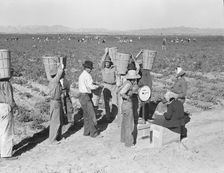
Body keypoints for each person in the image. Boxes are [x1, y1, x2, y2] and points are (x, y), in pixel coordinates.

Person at [78, 60, 101, 138]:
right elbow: (90, 86)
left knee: (86, 114)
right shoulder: (88, 75)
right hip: (86, 96)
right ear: (87, 68)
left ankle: (86, 131)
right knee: (91, 114)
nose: (91, 70)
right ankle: (93, 133)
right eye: (90, 68)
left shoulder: (81, 75)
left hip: (81, 96)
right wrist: (97, 86)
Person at [120, 70, 141, 147]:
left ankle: (123, 139)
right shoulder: (128, 84)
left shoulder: (126, 83)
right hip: (128, 105)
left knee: (124, 123)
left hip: (124, 105)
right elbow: (122, 92)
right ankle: (129, 143)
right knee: (129, 124)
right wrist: (128, 97)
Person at [46, 57, 64, 145]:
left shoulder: (51, 80)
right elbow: (60, 71)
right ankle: (52, 139)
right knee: (55, 121)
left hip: (55, 102)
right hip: (55, 102)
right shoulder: (55, 81)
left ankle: (57, 136)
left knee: (58, 120)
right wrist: (60, 61)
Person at [0, 78, 18, 160]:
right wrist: (15, 107)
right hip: (4, 107)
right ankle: (6, 155)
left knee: (1, 130)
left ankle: (2, 151)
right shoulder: (5, 83)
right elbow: (9, 98)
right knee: (7, 131)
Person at [100, 48, 118, 123]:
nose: (107, 63)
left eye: (108, 62)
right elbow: (101, 61)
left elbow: (116, 65)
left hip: (114, 86)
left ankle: (114, 116)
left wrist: (111, 55)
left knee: (115, 102)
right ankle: (107, 117)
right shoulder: (103, 69)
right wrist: (106, 53)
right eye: (106, 62)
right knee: (106, 102)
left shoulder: (113, 69)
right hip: (106, 86)